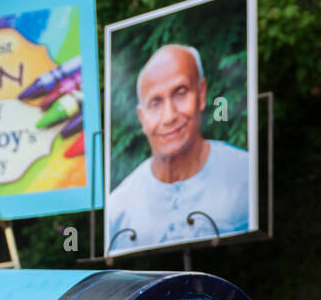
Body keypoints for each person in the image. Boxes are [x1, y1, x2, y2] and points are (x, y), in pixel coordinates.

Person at [105, 44, 249, 252]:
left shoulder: (246, 175)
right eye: (155, 103)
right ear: (142, 118)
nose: (169, 116)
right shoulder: (117, 209)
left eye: (180, 93)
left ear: (201, 93)